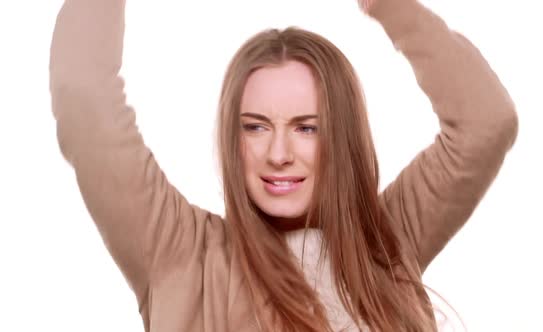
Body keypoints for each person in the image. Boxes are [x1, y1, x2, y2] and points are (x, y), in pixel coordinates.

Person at [48, 0, 518, 331]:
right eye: (255, 127)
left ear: (342, 136)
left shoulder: (388, 238)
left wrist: (388, 4)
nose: (278, 153)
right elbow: (83, 95)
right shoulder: (182, 254)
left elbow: (486, 123)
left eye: (306, 128)